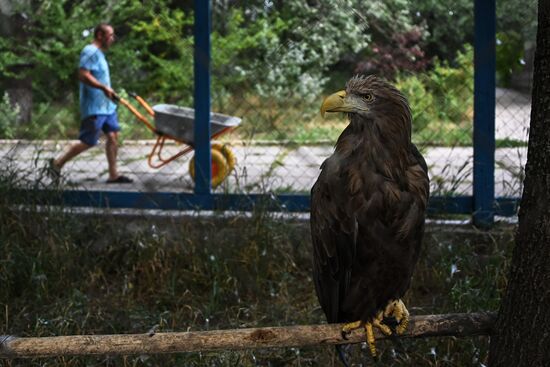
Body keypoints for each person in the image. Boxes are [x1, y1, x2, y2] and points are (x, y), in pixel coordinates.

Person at [49, 23, 132, 183]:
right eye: (110, 35)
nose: (113, 39)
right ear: (100, 35)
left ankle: (113, 175)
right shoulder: (89, 51)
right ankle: (57, 164)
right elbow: (83, 75)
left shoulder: (100, 54)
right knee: (89, 141)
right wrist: (102, 87)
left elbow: (99, 77)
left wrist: (108, 90)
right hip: (94, 106)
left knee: (113, 136)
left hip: (107, 106)